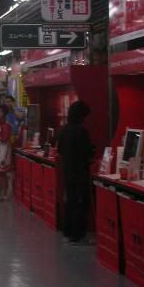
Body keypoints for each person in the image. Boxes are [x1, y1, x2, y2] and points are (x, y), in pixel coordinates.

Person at [56, 101, 95, 245]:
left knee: (70, 202)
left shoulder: (64, 130)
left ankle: (67, 232)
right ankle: (78, 235)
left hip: (67, 172)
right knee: (81, 204)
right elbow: (87, 153)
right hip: (80, 173)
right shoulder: (81, 131)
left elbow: (59, 150)